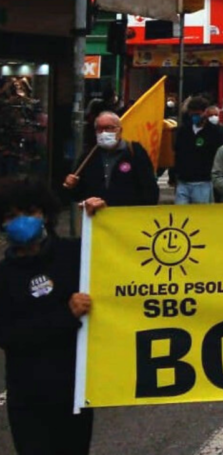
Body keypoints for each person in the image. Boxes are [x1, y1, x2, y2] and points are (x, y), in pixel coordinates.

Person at [0, 177, 105, 455]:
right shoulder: (4, 276)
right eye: (11, 216)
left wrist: (105, 220)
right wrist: (66, 316)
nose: (22, 221)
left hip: (73, 390)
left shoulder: (74, 254)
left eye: (30, 212)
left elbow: (118, 263)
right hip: (28, 397)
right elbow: (9, 335)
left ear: (45, 214)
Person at [63, 111, 159, 206]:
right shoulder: (89, 156)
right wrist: (72, 185)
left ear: (120, 130)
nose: (104, 132)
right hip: (97, 217)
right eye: (99, 129)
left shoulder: (135, 152)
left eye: (109, 128)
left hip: (127, 216)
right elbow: (77, 195)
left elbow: (150, 189)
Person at [171, 96, 220, 205]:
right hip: (183, 182)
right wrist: (174, 175)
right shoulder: (183, 131)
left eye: (197, 114)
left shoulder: (214, 132)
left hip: (203, 182)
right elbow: (177, 154)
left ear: (205, 112)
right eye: (192, 114)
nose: (195, 117)